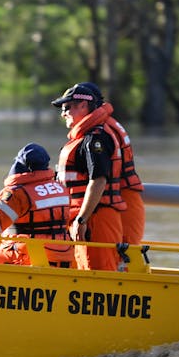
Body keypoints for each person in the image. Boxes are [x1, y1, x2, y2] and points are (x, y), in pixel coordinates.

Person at [51, 82, 139, 270]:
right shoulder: (90, 135)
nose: (63, 113)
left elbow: (99, 180)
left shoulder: (95, 138)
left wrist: (81, 219)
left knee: (100, 274)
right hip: (89, 216)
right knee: (87, 272)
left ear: (83, 105)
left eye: (67, 108)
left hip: (97, 218)